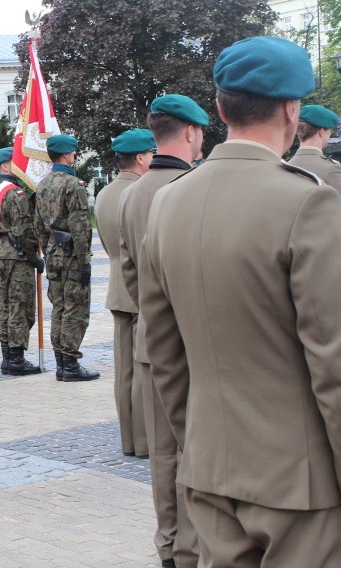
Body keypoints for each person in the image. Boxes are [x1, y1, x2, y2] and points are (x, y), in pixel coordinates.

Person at [140, 36, 341, 567]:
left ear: (222, 107)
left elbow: (163, 353)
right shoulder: (308, 200)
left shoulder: (168, 202)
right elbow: (333, 361)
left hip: (210, 467)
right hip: (299, 480)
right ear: (293, 109)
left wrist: (199, 442)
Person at [120, 94, 206, 568]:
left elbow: (133, 274)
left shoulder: (132, 192)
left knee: (162, 452)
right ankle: (193, 546)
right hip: (193, 343)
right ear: (190, 132)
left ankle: (169, 545)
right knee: (195, 446)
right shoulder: (192, 187)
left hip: (150, 339)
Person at [95, 129, 155, 458]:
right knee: (142, 370)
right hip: (138, 287)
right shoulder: (140, 193)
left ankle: (128, 439)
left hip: (117, 287)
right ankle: (144, 441)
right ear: (142, 158)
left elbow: (109, 245)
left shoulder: (105, 194)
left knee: (124, 372)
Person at [34, 134, 100, 381]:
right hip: (72, 254)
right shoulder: (74, 185)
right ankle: (70, 364)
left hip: (53, 253)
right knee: (76, 308)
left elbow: (38, 225)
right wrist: (84, 260)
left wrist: (50, 246)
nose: (74, 155)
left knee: (60, 307)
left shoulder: (42, 185)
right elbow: (81, 226)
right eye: (73, 152)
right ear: (66, 155)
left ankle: (62, 362)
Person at [0, 147, 42, 375]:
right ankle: (17, 360)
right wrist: (35, 258)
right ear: (6, 166)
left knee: (6, 307)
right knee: (21, 307)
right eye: (16, 162)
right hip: (17, 256)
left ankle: (7, 358)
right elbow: (24, 231)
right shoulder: (14, 194)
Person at [288, 104, 341, 191]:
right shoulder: (332, 169)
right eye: (329, 131)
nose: (330, 135)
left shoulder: (286, 167)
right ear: (322, 132)